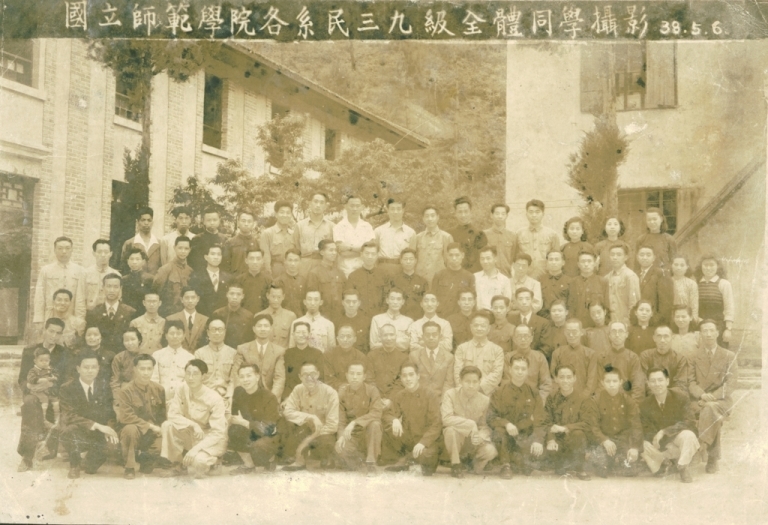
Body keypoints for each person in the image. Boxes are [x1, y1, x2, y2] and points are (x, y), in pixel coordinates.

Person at [160, 359, 228, 478]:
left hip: (210, 438)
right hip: (193, 433)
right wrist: (194, 425)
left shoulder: (214, 398)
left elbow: (218, 433)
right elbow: (172, 414)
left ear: (203, 376)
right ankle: (177, 464)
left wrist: (195, 450)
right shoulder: (182, 389)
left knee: (198, 464)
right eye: (188, 373)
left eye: (195, 374)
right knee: (167, 425)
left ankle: (215, 461)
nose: (190, 378)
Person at [16, 319, 68, 472]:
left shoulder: (64, 353)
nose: (54, 336)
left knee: (49, 453)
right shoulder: (30, 351)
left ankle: (49, 447)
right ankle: (27, 456)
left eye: (58, 333)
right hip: (34, 392)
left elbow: (66, 379)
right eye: (51, 331)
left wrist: (51, 386)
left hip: (54, 393)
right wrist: (31, 388)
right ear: (44, 330)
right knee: (30, 404)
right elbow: (22, 378)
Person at [688, 319, 738, 474]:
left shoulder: (729, 355)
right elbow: (690, 381)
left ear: (717, 333)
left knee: (710, 409)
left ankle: (702, 445)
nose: (708, 334)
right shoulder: (693, 356)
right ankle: (712, 457)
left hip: (721, 400)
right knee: (710, 411)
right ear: (700, 334)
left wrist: (712, 397)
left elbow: (731, 384)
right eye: (705, 331)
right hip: (699, 399)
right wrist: (702, 395)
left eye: (711, 330)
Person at [58, 351, 118, 479]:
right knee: (69, 431)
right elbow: (69, 415)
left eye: (93, 367)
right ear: (78, 369)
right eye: (86, 367)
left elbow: (110, 412)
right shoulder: (67, 388)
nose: (90, 371)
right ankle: (74, 464)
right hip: (79, 429)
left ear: (98, 368)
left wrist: (109, 428)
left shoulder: (104, 386)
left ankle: (88, 460)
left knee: (92, 468)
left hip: (99, 432)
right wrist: (95, 425)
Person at [488, 355, 546, 479]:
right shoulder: (499, 392)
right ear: (510, 369)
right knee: (498, 432)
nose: (520, 372)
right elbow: (491, 418)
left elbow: (540, 419)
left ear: (528, 370)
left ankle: (519, 461)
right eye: (516, 368)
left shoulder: (533, 392)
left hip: (524, 436)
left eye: (523, 369)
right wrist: (506, 424)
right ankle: (506, 465)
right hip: (505, 435)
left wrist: (538, 440)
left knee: (530, 465)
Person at [380, 363, 441, 476]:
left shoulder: (430, 395)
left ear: (418, 376)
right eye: (404, 376)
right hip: (408, 439)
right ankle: (407, 459)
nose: (408, 379)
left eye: (411, 375)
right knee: (388, 426)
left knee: (426, 455)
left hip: (426, 441)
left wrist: (423, 443)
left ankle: (406, 461)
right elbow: (388, 414)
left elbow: (437, 424)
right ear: (401, 378)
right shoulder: (400, 395)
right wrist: (394, 420)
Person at [640, 367, 700, 483]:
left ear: (667, 381)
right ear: (648, 384)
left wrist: (664, 431)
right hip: (661, 447)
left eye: (660, 380)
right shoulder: (645, 404)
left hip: (678, 444)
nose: (657, 384)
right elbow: (646, 428)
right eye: (653, 381)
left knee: (689, 435)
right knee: (641, 444)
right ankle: (664, 463)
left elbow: (690, 422)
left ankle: (682, 466)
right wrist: (660, 442)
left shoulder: (680, 397)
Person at [114, 353, 167, 479]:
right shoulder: (125, 390)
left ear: (153, 370)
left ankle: (145, 459)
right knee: (130, 429)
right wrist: (150, 426)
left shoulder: (159, 389)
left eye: (149, 369)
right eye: (142, 369)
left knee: (162, 444)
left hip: (151, 434)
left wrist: (162, 430)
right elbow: (126, 417)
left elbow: (162, 416)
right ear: (135, 369)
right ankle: (129, 467)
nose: (146, 373)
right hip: (134, 432)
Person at [281, 363, 339, 471]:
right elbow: (288, 412)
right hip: (306, 429)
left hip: (324, 433)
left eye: (312, 374)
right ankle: (299, 458)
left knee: (325, 445)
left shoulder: (330, 393)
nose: (309, 378)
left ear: (318, 374)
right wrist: (311, 417)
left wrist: (308, 440)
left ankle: (315, 457)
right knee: (287, 426)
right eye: (305, 375)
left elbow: (332, 426)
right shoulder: (298, 389)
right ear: (300, 377)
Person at [442, 366, 498, 478]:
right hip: (456, 441)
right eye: (467, 381)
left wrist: (481, 436)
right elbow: (446, 419)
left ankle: (472, 464)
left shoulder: (485, 400)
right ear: (460, 381)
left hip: (473, 441)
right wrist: (470, 424)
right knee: (450, 430)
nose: (471, 385)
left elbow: (485, 425)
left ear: (479, 382)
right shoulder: (450, 394)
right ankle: (456, 464)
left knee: (491, 451)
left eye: (475, 382)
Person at [588, 366, 643, 478]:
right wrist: (604, 440)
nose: (611, 384)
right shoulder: (595, 400)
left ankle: (618, 460)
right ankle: (606, 461)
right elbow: (593, 425)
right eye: (608, 381)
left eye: (615, 381)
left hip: (623, 440)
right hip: (605, 440)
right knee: (601, 469)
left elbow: (636, 425)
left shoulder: (628, 400)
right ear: (602, 383)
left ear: (620, 382)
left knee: (631, 471)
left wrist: (634, 447)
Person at [543, 365, 595, 480]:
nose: (565, 381)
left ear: (574, 378)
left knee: (578, 434)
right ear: (556, 379)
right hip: (558, 440)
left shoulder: (583, 398)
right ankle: (561, 464)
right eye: (561, 377)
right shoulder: (551, 398)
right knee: (546, 455)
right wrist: (551, 439)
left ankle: (580, 468)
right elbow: (547, 421)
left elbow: (587, 423)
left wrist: (566, 428)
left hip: (575, 440)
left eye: (568, 377)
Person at [227, 364, 281, 474]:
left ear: (257, 377)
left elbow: (268, 429)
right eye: (242, 376)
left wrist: (244, 422)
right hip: (252, 430)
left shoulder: (269, 397)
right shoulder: (238, 392)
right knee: (233, 431)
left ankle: (270, 460)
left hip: (269, 434)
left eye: (249, 376)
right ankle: (249, 464)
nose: (245, 380)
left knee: (258, 446)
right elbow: (235, 416)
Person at [335, 362, 385, 473]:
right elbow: (341, 419)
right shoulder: (342, 392)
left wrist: (355, 422)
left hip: (368, 433)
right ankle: (360, 462)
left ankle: (371, 462)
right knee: (340, 448)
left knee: (375, 424)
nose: (355, 377)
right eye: (352, 373)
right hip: (352, 435)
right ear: (346, 375)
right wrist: (341, 436)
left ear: (364, 376)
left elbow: (376, 412)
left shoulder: (372, 390)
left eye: (358, 374)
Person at [33, 236, 86, 328]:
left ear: (72, 250)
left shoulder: (80, 271)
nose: (64, 251)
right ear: (54, 250)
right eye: (60, 248)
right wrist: (39, 319)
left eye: (67, 248)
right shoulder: (46, 270)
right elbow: (39, 297)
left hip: (71, 316)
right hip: (50, 315)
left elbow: (80, 298)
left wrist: (80, 319)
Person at [232, 314, 286, 400]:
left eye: (266, 326)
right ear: (254, 329)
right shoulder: (242, 349)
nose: (263, 329)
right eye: (259, 326)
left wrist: (271, 398)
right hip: (247, 395)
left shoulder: (279, 351)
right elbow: (236, 374)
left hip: (269, 395)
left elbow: (279, 378)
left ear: (271, 328)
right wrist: (243, 396)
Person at [454, 311, 504, 396]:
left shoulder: (497, 350)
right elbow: (457, 373)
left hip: (488, 394)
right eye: (476, 325)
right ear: (471, 327)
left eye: (483, 326)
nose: (479, 328)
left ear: (489, 328)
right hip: (465, 394)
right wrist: (467, 389)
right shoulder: (461, 349)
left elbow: (497, 374)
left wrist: (478, 388)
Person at [593, 321, 645, 400]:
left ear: (626, 334)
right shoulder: (602, 357)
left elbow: (638, 385)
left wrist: (632, 403)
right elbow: (600, 385)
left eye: (620, 331)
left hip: (627, 401)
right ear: (609, 335)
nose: (617, 335)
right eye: (614, 332)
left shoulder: (633, 358)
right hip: (606, 401)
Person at [85, 273, 136, 351]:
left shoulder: (130, 312)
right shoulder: (94, 312)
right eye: (109, 286)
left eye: (115, 287)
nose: (112, 290)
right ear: (103, 288)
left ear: (120, 288)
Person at [549, 318, 598, 396]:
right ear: (564, 333)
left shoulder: (590, 354)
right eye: (568, 332)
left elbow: (592, 381)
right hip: (562, 396)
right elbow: (554, 378)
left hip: (583, 397)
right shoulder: (557, 353)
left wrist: (582, 397)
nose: (571, 335)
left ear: (581, 332)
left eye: (574, 332)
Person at [696, 255, 735, 348]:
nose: (708, 268)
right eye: (705, 265)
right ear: (701, 266)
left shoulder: (724, 284)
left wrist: (728, 329)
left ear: (718, 266)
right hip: (700, 326)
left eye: (712, 265)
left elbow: (729, 307)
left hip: (719, 327)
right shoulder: (696, 284)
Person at [409, 205, 454, 287]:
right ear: (423, 219)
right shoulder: (417, 238)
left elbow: (449, 262)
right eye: (427, 216)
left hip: (439, 280)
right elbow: (411, 260)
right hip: (420, 280)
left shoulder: (446, 237)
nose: (430, 219)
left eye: (432, 216)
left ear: (438, 217)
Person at [515, 199, 560, 280]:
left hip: (545, 276)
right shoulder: (519, 234)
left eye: (537, 212)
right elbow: (515, 257)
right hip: (525, 276)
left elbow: (557, 258)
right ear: (526, 214)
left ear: (543, 214)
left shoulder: (552, 234)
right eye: (531, 212)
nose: (534, 215)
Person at [195, 319, 237, 402]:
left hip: (226, 397)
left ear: (224, 332)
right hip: (205, 396)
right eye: (213, 330)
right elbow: (197, 378)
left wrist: (228, 396)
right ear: (208, 332)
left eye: (220, 330)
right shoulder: (199, 353)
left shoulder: (233, 353)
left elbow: (234, 379)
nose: (217, 333)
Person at [639, 326, 689, 397]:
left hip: (672, 397)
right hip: (651, 396)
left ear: (672, 338)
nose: (662, 340)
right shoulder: (645, 356)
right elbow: (643, 381)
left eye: (666, 336)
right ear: (654, 338)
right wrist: (657, 395)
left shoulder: (680, 359)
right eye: (659, 336)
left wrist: (665, 396)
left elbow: (681, 384)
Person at [293, 192, 335, 278]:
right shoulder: (300, 225)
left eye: (321, 203)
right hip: (305, 264)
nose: (318, 205)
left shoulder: (332, 226)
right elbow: (296, 248)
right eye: (315, 201)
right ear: (310, 203)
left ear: (325, 206)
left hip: (324, 264)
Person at [506, 324, 552, 402]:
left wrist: (538, 401)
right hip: (513, 400)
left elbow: (546, 384)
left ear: (531, 338)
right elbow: (506, 382)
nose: (523, 339)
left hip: (535, 400)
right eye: (519, 336)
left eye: (526, 336)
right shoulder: (508, 357)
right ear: (514, 339)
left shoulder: (539, 357)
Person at [409, 321, 455, 397]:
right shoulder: (414, 356)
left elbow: (448, 383)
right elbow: (412, 381)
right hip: (419, 398)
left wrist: (443, 401)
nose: (431, 338)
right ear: (423, 337)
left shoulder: (449, 357)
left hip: (440, 398)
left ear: (440, 337)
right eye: (427, 335)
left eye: (434, 335)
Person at [151, 320, 195, 400]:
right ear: (166, 336)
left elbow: (189, 382)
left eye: (178, 333)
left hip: (181, 399)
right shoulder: (157, 355)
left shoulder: (190, 358)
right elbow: (154, 379)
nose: (175, 336)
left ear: (184, 336)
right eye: (172, 333)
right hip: (160, 398)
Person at [334, 195, 376, 277]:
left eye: (357, 206)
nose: (355, 209)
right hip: (345, 269)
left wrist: (350, 248)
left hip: (364, 268)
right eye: (352, 206)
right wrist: (363, 251)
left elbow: (370, 250)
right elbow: (343, 253)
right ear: (346, 206)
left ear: (362, 207)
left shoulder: (367, 226)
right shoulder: (339, 227)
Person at [374, 198, 416, 278]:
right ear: (388, 210)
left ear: (403, 210)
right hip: (382, 268)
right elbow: (374, 253)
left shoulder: (411, 233)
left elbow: (412, 257)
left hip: (402, 269)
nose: (395, 212)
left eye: (398, 209)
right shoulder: (379, 231)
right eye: (392, 209)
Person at [152, 235, 193, 317]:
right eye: (180, 248)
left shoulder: (190, 271)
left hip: (185, 314)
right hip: (168, 314)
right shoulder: (165, 270)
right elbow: (155, 292)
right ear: (174, 248)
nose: (183, 251)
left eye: (186, 249)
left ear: (190, 250)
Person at [432, 242, 475, 319]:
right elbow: (433, 298)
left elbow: (472, 300)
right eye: (451, 255)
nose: (454, 258)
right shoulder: (439, 275)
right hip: (442, 316)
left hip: (460, 317)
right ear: (447, 256)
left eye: (457, 255)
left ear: (462, 255)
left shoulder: (469, 276)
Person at [566, 250, 608, 328]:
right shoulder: (573, 282)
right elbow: (571, 307)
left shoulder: (602, 282)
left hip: (597, 326)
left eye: (589, 261)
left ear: (594, 263)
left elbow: (607, 305)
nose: (586, 264)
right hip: (579, 326)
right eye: (583, 261)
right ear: (578, 264)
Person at [283, 322, 325, 400]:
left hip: (312, 394)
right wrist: (287, 397)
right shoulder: (287, 354)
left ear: (309, 335)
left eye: (304, 332)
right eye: (298, 332)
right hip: (291, 394)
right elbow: (285, 379)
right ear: (293, 335)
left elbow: (321, 378)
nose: (301, 335)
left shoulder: (317, 354)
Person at [307, 239, 346, 321]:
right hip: (322, 316)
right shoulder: (314, 273)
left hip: (339, 315)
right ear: (322, 252)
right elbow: (312, 298)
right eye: (331, 250)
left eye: (335, 250)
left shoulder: (340, 273)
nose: (334, 253)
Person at [368, 324, 410, 401]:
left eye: (391, 335)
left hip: (395, 398)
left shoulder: (404, 358)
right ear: (380, 337)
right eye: (385, 335)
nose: (389, 338)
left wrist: (390, 399)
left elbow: (400, 382)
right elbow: (369, 379)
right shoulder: (372, 356)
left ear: (396, 336)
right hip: (374, 397)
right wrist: (377, 398)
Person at [324, 325, 373, 391]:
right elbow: (328, 379)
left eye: (349, 336)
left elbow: (364, 378)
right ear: (337, 339)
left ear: (355, 339)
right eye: (342, 336)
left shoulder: (361, 357)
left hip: (356, 390)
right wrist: (344, 387)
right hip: (335, 390)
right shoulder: (329, 355)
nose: (345, 339)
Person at [189, 244, 233, 317]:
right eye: (213, 254)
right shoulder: (197, 277)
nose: (216, 257)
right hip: (203, 316)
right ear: (206, 257)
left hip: (223, 317)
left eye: (219, 254)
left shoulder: (228, 278)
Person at [636, 245, 674, 326]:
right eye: (642, 255)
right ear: (637, 257)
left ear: (654, 258)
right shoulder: (634, 274)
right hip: (637, 321)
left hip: (654, 322)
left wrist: (657, 321)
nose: (645, 258)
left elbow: (666, 304)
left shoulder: (661, 274)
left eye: (648, 255)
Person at [347, 241, 389, 314]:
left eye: (373, 254)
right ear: (361, 255)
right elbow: (349, 298)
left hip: (379, 315)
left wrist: (381, 315)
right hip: (359, 316)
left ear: (377, 256)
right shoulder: (353, 276)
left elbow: (387, 297)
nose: (370, 257)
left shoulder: (384, 275)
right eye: (367, 253)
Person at [507, 287, 551, 358]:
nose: (524, 302)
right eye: (520, 299)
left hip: (535, 360)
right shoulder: (510, 320)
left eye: (527, 299)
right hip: (514, 360)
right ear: (516, 301)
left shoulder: (543, 323)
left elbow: (545, 348)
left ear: (532, 300)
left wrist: (530, 359)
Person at [448, 196, 488, 273]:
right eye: (460, 212)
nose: (463, 215)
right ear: (455, 213)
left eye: (466, 211)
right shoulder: (449, 234)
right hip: (453, 274)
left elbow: (481, 260)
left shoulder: (479, 234)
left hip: (473, 275)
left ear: (470, 212)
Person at [606, 242, 641, 327]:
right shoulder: (607, 277)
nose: (615, 257)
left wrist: (629, 321)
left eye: (619, 255)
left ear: (625, 257)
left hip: (625, 322)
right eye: (612, 255)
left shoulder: (630, 276)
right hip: (610, 322)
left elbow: (634, 303)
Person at [634, 207, 676, 274]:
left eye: (654, 219)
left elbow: (673, 261)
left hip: (663, 275)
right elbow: (637, 263)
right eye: (649, 220)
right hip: (646, 276)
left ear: (661, 219)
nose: (652, 222)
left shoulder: (669, 239)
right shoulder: (641, 239)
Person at [260, 201, 297, 279]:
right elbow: (265, 257)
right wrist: (268, 275)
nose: (285, 215)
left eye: (288, 213)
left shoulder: (293, 234)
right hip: (274, 272)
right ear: (276, 214)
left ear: (291, 215)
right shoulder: (267, 233)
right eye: (282, 212)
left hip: (291, 272)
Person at [121, 207, 162, 275]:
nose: (146, 223)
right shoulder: (129, 243)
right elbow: (124, 267)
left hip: (155, 280)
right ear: (137, 222)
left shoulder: (159, 243)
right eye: (143, 220)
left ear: (152, 222)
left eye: (149, 220)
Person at [165, 287, 208, 352]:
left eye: (193, 297)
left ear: (198, 299)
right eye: (187, 298)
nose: (190, 301)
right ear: (182, 299)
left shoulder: (205, 320)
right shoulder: (171, 319)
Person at [212, 284, 254, 349]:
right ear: (227, 294)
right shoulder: (218, 314)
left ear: (242, 296)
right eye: (232, 293)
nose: (235, 297)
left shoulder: (248, 316)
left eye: (238, 294)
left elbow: (251, 338)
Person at [390, 248, 428, 320]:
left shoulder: (422, 281)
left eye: (411, 259)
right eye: (405, 259)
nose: (408, 262)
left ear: (415, 261)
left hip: (417, 318)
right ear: (401, 261)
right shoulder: (394, 280)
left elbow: (426, 302)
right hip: (398, 318)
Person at [26, 348, 60, 427]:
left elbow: (56, 375)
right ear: (35, 361)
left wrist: (54, 377)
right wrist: (38, 380)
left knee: (56, 401)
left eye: (46, 360)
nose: (44, 363)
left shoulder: (50, 369)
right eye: (41, 361)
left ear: (49, 360)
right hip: (38, 390)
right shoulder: (33, 370)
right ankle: (43, 419)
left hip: (48, 390)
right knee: (44, 401)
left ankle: (57, 420)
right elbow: (30, 378)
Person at [84, 239, 121, 311]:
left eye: (106, 252)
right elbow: (81, 298)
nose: (103, 255)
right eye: (99, 252)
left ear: (111, 254)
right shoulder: (86, 273)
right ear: (94, 253)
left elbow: (118, 298)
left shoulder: (116, 275)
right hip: (90, 312)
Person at [331, 289, 371, 354]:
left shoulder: (367, 321)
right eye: (348, 302)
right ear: (343, 302)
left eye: (354, 302)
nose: (351, 305)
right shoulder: (336, 322)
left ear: (359, 303)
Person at [257, 284, 297, 349]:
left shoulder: (291, 316)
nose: (276, 300)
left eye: (279, 297)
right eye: (273, 297)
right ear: (267, 296)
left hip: (284, 354)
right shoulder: (259, 316)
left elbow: (293, 342)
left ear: (283, 297)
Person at [483, 203, 518, 277]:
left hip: (506, 275)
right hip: (488, 276)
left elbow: (514, 257)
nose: (500, 216)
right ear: (491, 215)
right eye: (497, 213)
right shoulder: (484, 235)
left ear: (506, 216)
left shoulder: (512, 236)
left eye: (503, 214)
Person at [222, 209, 260, 276]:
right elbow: (225, 265)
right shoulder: (230, 242)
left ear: (253, 224)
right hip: (235, 279)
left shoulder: (256, 243)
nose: (246, 224)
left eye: (249, 221)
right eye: (243, 221)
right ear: (238, 222)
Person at [188, 207, 227, 272]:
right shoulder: (197, 239)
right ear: (204, 221)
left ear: (219, 221)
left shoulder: (224, 239)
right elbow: (192, 261)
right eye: (209, 220)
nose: (212, 223)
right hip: (202, 274)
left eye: (215, 220)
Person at [474, 246, 512, 311]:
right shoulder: (475, 277)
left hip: (497, 315)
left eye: (488, 258)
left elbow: (507, 303)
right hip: (479, 315)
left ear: (495, 259)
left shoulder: (504, 280)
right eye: (482, 259)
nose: (485, 261)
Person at [272, 248, 306, 318]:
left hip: (300, 318)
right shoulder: (278, 281)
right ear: (285, 261)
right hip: (282, 318)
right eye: (290, 260)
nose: (293, 264)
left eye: (296, 260)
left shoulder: (304, 281)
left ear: (300, 262)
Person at [236, 247, 271, 315]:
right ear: (246, 260)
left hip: (263, 316)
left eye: (258, 259)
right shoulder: (239, 280)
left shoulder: (268, 280)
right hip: (243, 316)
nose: (255, 262)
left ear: (262, 261)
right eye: (251, 259)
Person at [110, 327, 145, 396]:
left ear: (139, 340)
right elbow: (115, 381)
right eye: (126, 340)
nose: (130, 343)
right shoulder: (119, 358)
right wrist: (118, 397)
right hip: (124, 393)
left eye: (133, 339)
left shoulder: (146, 356)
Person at [540, 251, 572, 320]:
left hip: (563, 319)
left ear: (563, 262)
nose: (553, 262)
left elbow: (571, 305)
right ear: (546, 262)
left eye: (557, 259)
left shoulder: (569, 281)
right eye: (551, 259)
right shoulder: (540, 280)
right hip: (543, 318)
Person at [670, 255, 699, 322]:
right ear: (671, 266)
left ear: (687, 267)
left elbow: (694, 306)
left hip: (685, 319)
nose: (679, 268)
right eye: (676, 265)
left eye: (682, 265)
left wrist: (693, 321)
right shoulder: (666, 282)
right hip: (669, 318)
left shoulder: (691, 284)